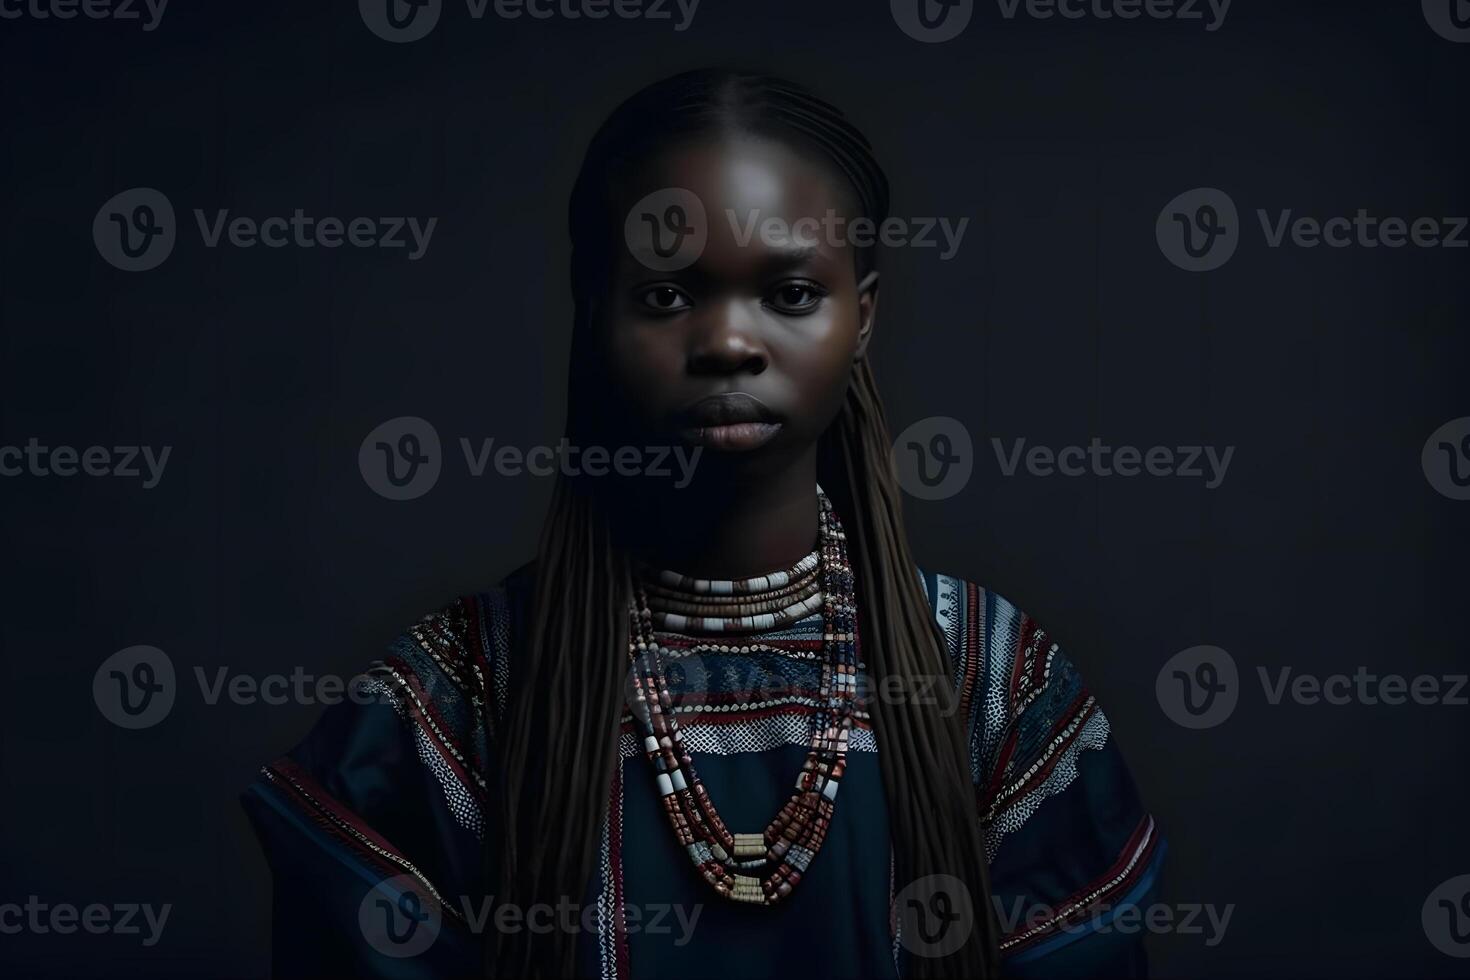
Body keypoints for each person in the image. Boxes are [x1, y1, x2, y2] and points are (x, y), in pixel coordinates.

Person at [242, 68, 1165, 980]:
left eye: (792, 293)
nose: (728, 341)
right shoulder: (452, 701)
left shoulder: (994, 681)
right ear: (594, 308)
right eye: (667, 295)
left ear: (865, 314)